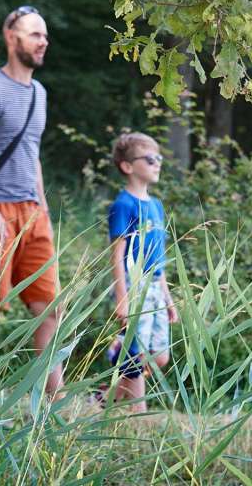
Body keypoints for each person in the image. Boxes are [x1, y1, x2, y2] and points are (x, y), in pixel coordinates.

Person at [0, 5, 63, 397]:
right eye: (35, 34)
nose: (43, 42)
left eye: (45, 36)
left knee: (49, 307)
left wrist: (45, 210)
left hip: (33, 213)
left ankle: (54, 397)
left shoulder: (39, 93)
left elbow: (31, 152)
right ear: (12, 38)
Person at [106, 132, 178, 412]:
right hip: (134, 287)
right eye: (150, 159)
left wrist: (168, 298)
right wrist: (122, 299)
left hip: (156, 288)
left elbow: (159, 260)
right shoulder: (123, 205)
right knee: (136, 354)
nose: (157, 163)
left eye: (159, 158)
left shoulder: (156, 206)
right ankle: (140, 414)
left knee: (159, 356)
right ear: (127, 166)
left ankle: (105, 394)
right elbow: (117, 255)